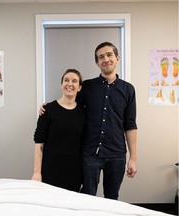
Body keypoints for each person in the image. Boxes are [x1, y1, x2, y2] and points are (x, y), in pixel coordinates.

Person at [39, 42, 138, 200]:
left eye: (109, 55)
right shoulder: (87, 87)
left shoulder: (128, 90)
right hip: (90, 153)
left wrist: (133, 158)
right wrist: (48, 107)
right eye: (101, 57)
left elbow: (130, 125)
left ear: (117, 58)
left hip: (116, 154)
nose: (105, 59)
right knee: (86, 197)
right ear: (97, 63)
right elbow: (68, 102)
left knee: (112, 197)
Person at [32, 69, 86, 192]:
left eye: (74, 81)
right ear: (61, 85)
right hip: (50, 170)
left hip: (74, 171)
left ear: (79, 87)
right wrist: (36, 172)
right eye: (66, 80)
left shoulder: (83, 113)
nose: (70, 84)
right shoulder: (47, 110)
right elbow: (39, 143)